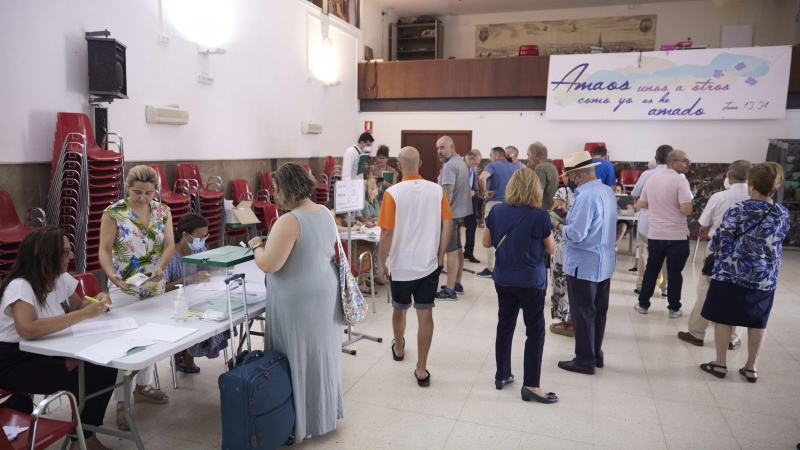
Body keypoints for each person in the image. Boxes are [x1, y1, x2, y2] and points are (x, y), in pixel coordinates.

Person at [247, 162, 343, 443]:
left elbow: (269, 263)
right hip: (324, 291)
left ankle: (298, 420)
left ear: (287, 188)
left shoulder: (289, 221)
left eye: (276, 188)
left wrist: (256, 245)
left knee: (297, 357)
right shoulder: (325, 211)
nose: (274, 194)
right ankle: (323, 413)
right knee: (320, 355)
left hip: (299, 299)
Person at [0, 227, 116, 450]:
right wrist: (83, 314)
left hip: (46, 348)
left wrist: (98, 300)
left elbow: (79, 305)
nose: (70, 257)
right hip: (13, 360)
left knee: (107, 365)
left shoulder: (60, 278)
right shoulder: (21, 286)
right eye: (65, 252)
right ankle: (82, 439)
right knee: (86, 378)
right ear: (45, 254)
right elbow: (28, 329)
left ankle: (87, 436)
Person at [98, 165, 174, 431]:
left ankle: (142, 387)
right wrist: (111, 275)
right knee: (125, 344)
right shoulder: (114, 213)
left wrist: (161, 267)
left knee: (151, 337)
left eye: (148, 193)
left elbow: (169, 245)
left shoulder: (163, 211)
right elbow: (104, 250)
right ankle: (121, 402)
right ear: (127, 188)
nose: (143, 198)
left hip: (154, 284)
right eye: (137, 192)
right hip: (123, 285)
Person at [699, 162, 790, 382]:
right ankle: (751, 367)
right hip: (764, 277)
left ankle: (720, 364)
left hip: (731, 273)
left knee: (724, 318)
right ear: (775, 186)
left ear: (751, 185)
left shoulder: (738, 209)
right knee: (758, 321)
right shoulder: (782, 213)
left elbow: (719, 239)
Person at [378, 146, 452, 388]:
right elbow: (448, 223)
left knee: (399, 309)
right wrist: (441, 256)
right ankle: (421, 369)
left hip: (401, 266)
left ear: (398, 166)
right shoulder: (436, 190)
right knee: (425, 314)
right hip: (429, 265)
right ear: (420, 164)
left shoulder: (393, 193)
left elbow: (387, 233)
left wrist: (381, 263)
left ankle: (398, 347)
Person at [484, 169, 558, 403]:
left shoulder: (497, 210)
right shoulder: (539, 216)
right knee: (534, 330)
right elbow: (551, 249)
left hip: (504, 278)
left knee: (505, 325)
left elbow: (486, 242)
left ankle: (502, 374)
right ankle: (531, 386)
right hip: (530, 282)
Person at [551, 151, 616, 375]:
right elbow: (595, 222)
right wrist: (569, 213)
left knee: (582, 314)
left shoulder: (586, 196)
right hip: (603, 262)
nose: (567, 180)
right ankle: (595, 354)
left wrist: (557, 224)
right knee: (598, 312)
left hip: (583, 264)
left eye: (569, 176)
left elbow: (576, 234)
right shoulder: (605, 191)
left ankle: (584, 360)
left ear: (578, 175)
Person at [678, 160, 752, 349]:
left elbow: (704, 224)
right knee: (738, 292)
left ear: (728, 175)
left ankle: (696, 333)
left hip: (718, 249)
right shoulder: (757, 200)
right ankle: (732, 338)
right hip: (746, 252)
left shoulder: (719, 197)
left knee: (706, 289)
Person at [164, 213, 230, 372]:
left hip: (196, 295)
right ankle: (184, 354)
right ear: (185, 234)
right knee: (193, 318)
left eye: (205, 235)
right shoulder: (169, 255)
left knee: (218, 313)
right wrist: (189, 278)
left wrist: (214, 271)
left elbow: (206, 269)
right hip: (171, 301)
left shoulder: (199, 248)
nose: (203, 240)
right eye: (200, 236)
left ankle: (189, 353)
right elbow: (162, 288)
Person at [634, 150, 693, 318]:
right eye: (684, 161)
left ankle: (643, 304)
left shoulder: (652, 179)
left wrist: (659, 204)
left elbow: (641, 204)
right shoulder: (680, 181)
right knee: (674, 273)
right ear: (672, 162)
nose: (688, 164)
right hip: (676, 236)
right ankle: (674, 308)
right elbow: (686, 209)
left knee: (652, 269)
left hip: (656, 234)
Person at [631, 146, 672, 295]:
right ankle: (665, 288)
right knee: (667, 258)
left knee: (644, 255)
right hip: (670, 224)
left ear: (656, 159)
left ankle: (641, 285)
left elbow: (636, 194)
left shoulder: (648, 174)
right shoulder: (679, 177)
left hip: (648, 222)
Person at [436, 136, 471, 300]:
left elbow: (446, 196)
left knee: (451, 251)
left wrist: (440, 217)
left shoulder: (450, 166)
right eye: (438, 148)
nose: (440, 151)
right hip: (460, 213)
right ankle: (457, 283)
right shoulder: (460, 162)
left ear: (452, 146)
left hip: (451, 216)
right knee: (457, 249)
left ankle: (450, 290)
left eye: (443, 147)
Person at [477, 147, 520, 278]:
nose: (489, 158)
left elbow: (482, 178)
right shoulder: (514, 167)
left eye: (490, 155)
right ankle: (506, 266)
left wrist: (485, 192)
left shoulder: (493, 165)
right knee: (507, 236)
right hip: (511, 205)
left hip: (494, 204)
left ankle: (491, 268)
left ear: (496, 155)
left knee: (490, 235)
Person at [550, 184, 574, 337]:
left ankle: (567, 322)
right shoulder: (591, 192)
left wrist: (553, 219)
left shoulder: (563, 191)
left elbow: (557, 214)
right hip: (578, 244)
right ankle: (571, 320)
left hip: (563, 241)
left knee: (561, 280)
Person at [526, 142, 559, 211]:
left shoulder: (540, 168)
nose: (527, 158)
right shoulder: (552, 166)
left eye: (528, 155)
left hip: (542, 211)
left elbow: (537, 195)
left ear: (534, 154)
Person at [463, 149, 483, 263]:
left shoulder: (473, 166)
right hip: (457, 203)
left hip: (470, 200)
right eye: (475, 163)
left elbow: (475, 180)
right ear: (470, 159)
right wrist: (466, 191)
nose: (476, 166)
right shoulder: (457, 164)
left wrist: (475, 190)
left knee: (472, 225)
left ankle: (468, 252)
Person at [612, 183, 635, 249]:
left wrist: (622, 211)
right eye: (613, 190)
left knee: (623, 227)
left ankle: (614, 244)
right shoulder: (607, 198)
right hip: (609, 220)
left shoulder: (624, 199)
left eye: (618, 190)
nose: (616, 192)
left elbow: (631, 210)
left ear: (621, 191)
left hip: (621, 220)